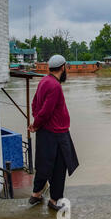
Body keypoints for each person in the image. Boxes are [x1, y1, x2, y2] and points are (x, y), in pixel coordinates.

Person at [28, 55, 79, 211]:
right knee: (59, 167)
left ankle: (36, 195)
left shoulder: (44, 81)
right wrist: (36, 124)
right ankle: (53, 200)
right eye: (66, 68)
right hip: (57, 132)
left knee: (43, 163)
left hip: (46, 131)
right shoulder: (55, 86)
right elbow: (46, 111)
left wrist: (37, 124)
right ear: (63, 67)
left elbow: (35, 104)